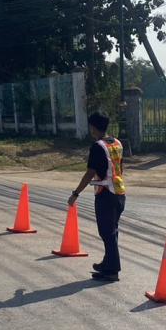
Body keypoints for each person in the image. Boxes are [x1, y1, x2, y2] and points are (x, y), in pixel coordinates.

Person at [67, 111, 126, 282]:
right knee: (112, 231)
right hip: (120, 193)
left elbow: (89, 173)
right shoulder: (117, 143)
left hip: (105, 195)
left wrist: (75, 193)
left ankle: (112, 270)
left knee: (107, 232)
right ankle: (107, 264)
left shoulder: (97, 147)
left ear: (93, 127)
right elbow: (120, 167)